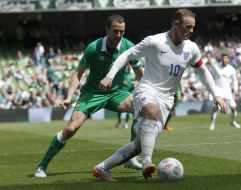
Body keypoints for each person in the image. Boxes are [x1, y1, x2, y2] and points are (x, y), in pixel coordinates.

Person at [93, 8, 228, 181]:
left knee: (139, 145)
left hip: (167, 100)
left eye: (193, 27)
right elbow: (127, 54)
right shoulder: (154, 42)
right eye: (188, 27)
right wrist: (109, 76)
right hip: (147, 90)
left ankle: (102, 168)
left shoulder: (192, 48)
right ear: (176, 24)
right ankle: (147, 162)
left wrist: (216, 94)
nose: (191, 31)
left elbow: (202, 71)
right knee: (151, 111)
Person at [34, 14, 144, 177]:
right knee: (71, 129)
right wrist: (68, 97)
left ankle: (130, 156)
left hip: (116, 93)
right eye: (115, 31)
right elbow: (77, 74)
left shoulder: (128, 46)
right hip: (92, 94)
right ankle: (41, 166)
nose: (119, 35)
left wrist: (147, 92)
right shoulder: (93, 47)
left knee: (141, 108)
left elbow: (139, 73)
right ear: (106, 29)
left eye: (122, 31)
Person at [207, 53, 241, 130]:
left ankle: (233, 122)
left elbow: (234, 80)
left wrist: (235, 89)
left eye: (226, 58)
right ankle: (212, 123)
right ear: (221, 59)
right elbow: (211, 79)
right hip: (218, 89)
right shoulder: (216, 67)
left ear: (228, 59)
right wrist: (211, 92)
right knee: (215, 107)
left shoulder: (232, 69)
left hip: (227, 91)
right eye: (223, 58)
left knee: (234, 107)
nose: (224, 60)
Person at [114, 64, 137, 129]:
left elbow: (137, 80)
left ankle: (126, 123)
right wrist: (123, 82)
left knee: (128, 109)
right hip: (122, 92)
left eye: (130, 65)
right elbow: (120, 80)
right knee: (119, 108)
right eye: (128, 65)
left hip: (130, 93)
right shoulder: (124, 72)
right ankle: (119, 120)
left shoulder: (134, 73)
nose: (129, 66)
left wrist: (134, 83)